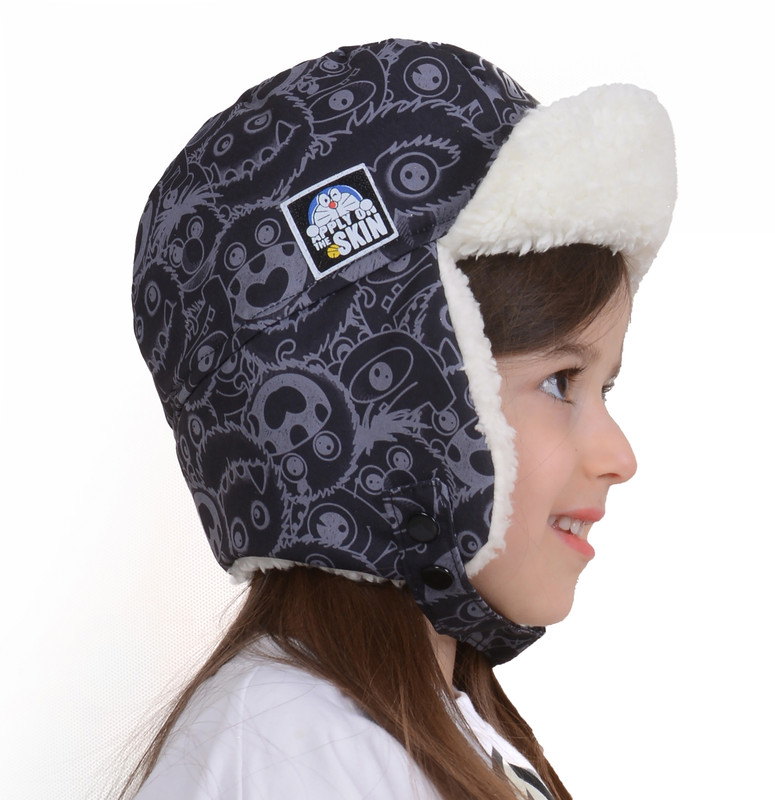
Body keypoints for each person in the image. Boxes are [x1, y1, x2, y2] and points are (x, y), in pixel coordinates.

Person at [127, 39, 676, 800]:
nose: (619, 455)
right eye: (560, 382)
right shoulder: (289, 746)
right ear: (395, 398)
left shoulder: (429, 734)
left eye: (606, 388)